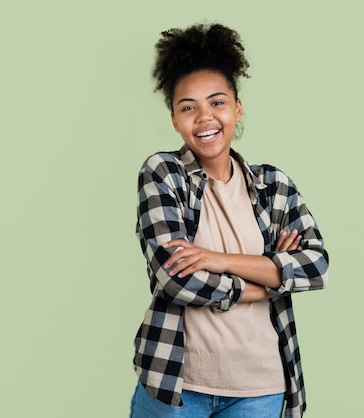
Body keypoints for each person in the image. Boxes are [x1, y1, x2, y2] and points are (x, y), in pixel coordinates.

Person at [129, 23, 329, 418]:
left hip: (261, 388)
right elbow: (176, 279)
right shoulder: (163, 173)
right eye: (189, 107)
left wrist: (215, 259)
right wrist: (267, 281)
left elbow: (315, 265)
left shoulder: (275, 186)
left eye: (217, 102)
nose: (205, 117)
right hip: (176, 385)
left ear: (237, 108)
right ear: (174, 119)